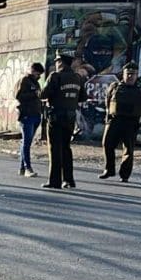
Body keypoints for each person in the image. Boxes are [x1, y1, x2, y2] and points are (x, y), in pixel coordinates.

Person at [40, 51, 87, 189]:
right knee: (66, 148)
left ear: (60, 62)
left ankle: (54, 181)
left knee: (55, 149)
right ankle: (69, 180)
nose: (56, 64)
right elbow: (83, 97)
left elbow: (43, 94)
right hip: (70, 118)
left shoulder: (55, 76)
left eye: (57, 61)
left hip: (56, 116)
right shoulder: (77, 77)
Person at [100, 63, 141, 182]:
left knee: (128, 149)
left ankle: (125, 174)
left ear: (137, 75)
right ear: (124, 74)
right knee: (107, 144)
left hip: (131, 122)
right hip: (115, 120)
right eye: (128, 74)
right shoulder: (115, 86)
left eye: (133, 74)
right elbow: (107, 101)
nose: (130, 76)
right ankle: (109, 169)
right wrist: (108, 115)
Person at [14, 62, 44, 177]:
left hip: (36, 114)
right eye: (37, 73)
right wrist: (34, 94)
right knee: (26, 142)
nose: (38, 76)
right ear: (32, 71)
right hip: (27, 115)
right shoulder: (24, 80)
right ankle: (27, 168)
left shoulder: (35, 82)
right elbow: (19, 96)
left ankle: (22, 167)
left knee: (27, 142)